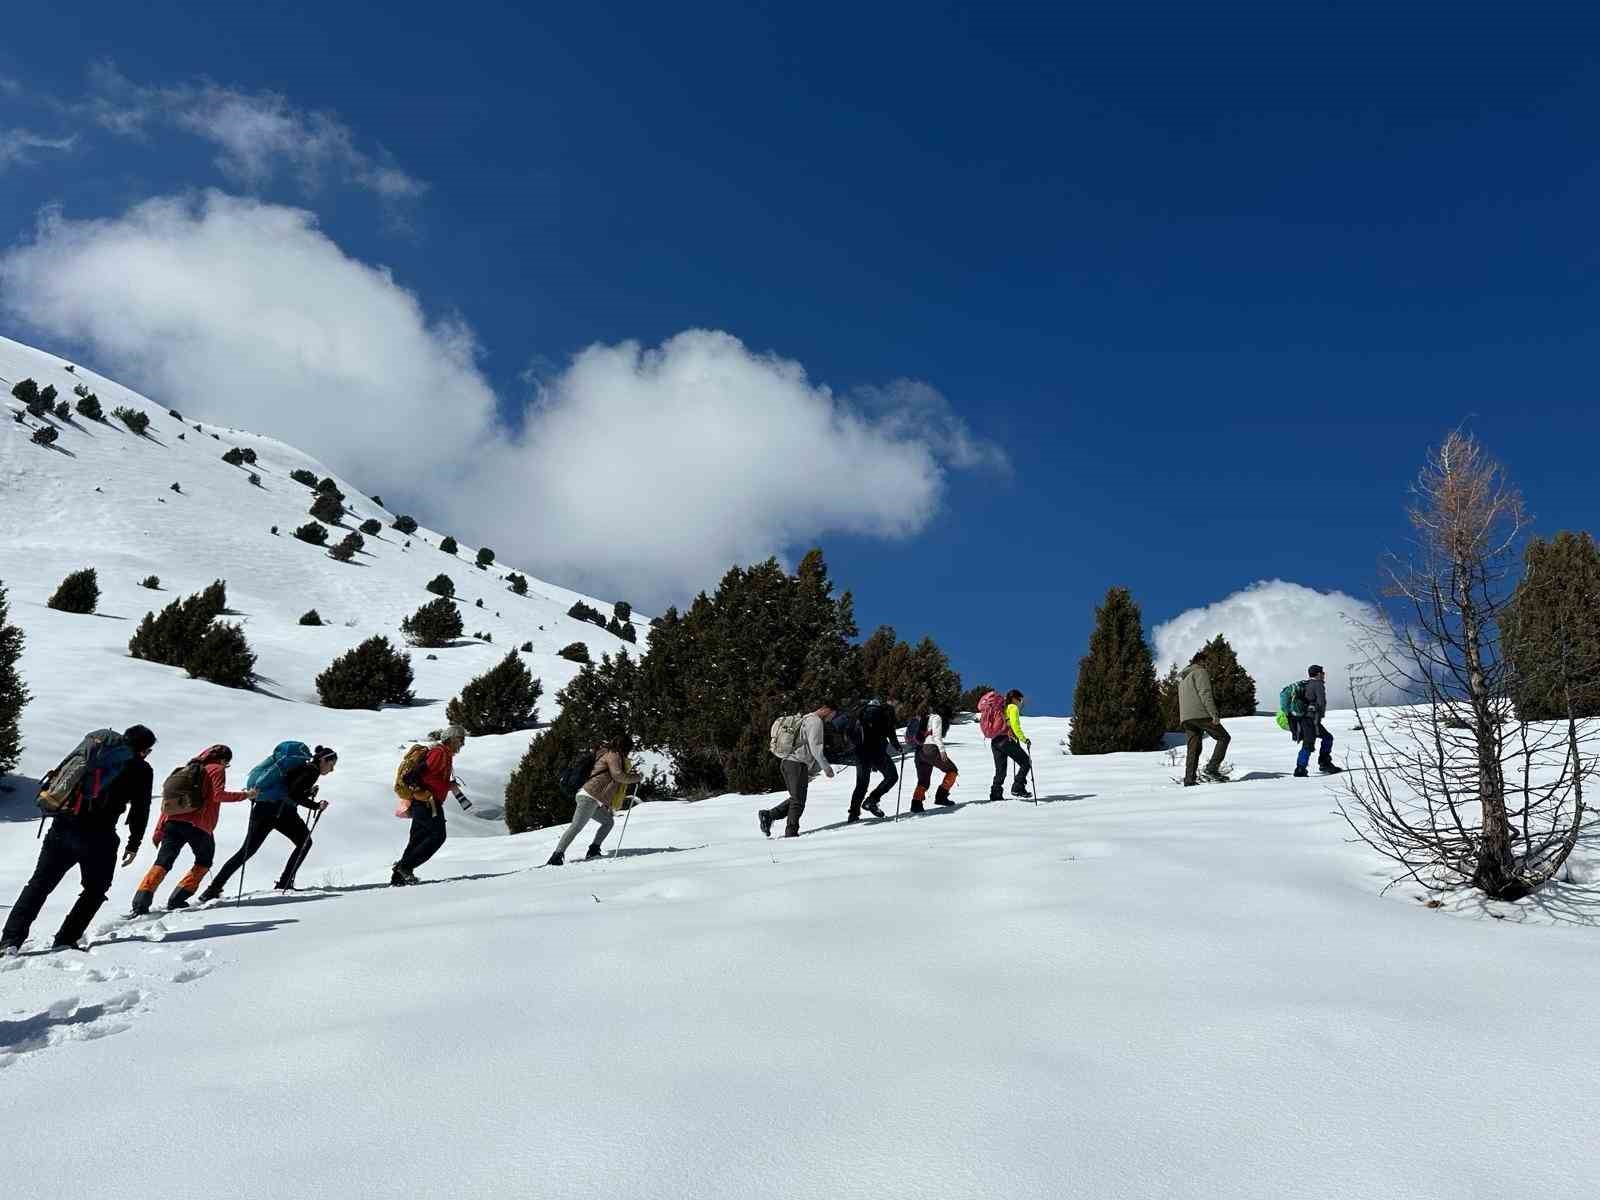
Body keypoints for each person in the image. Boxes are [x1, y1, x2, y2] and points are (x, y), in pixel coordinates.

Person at [2, 725, 157, 954]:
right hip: (100, 836)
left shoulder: (95, 754)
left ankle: (10, 941)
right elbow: (140, 810)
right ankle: (66, 939)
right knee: (95, 889)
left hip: (62, 826)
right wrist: (134, 843)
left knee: (39, 884)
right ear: (143, 749)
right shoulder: (141, 769)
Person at [199, 744, 337, 902]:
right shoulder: (312, 771)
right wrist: (316, 805)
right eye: (331, 765)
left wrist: (308, 792)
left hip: (263, 808)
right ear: (324, 761)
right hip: (281, 812)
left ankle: (213, 889)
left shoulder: (302, 768)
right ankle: (285, 882)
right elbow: (294, 794)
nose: (331, 770)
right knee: (305, 842)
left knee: (246, 851)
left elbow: (292, 788)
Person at [129, 744, 255, 914]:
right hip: (199, 825)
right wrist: (246, 795)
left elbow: (168, 804)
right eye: (227, 763)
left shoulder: (188, 769)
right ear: (223, 760)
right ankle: (178, 899)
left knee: (162, 863)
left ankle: (140, 904)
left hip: (172, 823)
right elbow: (218, 795)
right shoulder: (216, 769)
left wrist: (159, 829)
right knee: (204, 861)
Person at [392, 727, 470, 885]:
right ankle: (405, 867)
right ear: (452, 739)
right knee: (437, 836)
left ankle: (398, 878)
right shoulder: (439, 753)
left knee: (417, 839)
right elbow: (422, 775)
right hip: (428, 802)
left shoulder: (444, 754)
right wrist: (441, 785)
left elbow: (431, 777)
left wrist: (447, 785)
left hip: (424, 802)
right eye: (460, 739)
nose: (462, 743)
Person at [547, 733, 639, 866]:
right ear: (624, 746)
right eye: (629, 748)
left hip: (594, 798)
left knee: (608, 822)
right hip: (590, 796)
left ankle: (593, 850)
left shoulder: (610, 754)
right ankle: (557, 855)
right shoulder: (613, 754)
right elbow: (618, 776)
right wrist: (637, 777)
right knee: (576, 826)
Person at [758, 704, 838, 838]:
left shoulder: (805, 719)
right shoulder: (816, 721)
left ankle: (769, 815)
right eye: (831, 716)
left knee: (796, 798)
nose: (830, 719)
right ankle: (791, 832)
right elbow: (815, 748)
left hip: (787, 763)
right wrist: (826, 768)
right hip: (797, 764)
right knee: (798, 801)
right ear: (826, 710)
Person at [1177, 654, 1232, 786]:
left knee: (1193, 748)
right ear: (1201, 661)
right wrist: (1214, 714)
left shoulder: (1183, 679)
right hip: (1201, 714)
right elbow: (1205, 693)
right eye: (1207, 662)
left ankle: (1189, 779)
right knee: (1224, 737)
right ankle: (1211, 769)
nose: (1208, 665)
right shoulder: (1200, 672)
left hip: (1186, 718)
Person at [847, 699, 902, 822]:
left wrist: (856, 746)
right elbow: (891, 734)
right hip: (878, 753)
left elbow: (849, 732)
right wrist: (898, 748)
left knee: (861, 784)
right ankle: (872, 800)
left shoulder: (859, 714)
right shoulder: (884, 713)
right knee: (892, 776)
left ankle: (853, 814)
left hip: (861, 753)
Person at [1293, 665, 1342, 777]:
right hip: (1311, 719)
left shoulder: (1307, 683)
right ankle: (1302, 768)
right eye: (1322, 672)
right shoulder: (1318, 684)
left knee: (1325, 738)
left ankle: (1321, 763)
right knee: (1311, 742)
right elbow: (1321, 702)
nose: (1324, 674)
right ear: (1318, 674)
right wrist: (1319, 715)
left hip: (1304, 719)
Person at [907, 708, 958, 813]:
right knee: (952, 770)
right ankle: (941, 796)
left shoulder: (924, 719)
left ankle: (916, 804)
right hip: (930, 749)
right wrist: (942, 751)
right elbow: (937, 736)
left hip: (918, 752)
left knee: (923, 781)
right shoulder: (937, 718)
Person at [989, 689, 1033, 801]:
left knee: (1000, 770)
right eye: (1019, 699)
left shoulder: (1001, 708)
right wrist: (1024, 739)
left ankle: (995, 794)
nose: (1020, 702)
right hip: (1005, 740)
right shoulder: (1012, 708)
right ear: (1014, 699)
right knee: (1026, 762)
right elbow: (1015, 726)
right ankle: (1018, 787)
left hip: (995, 741)